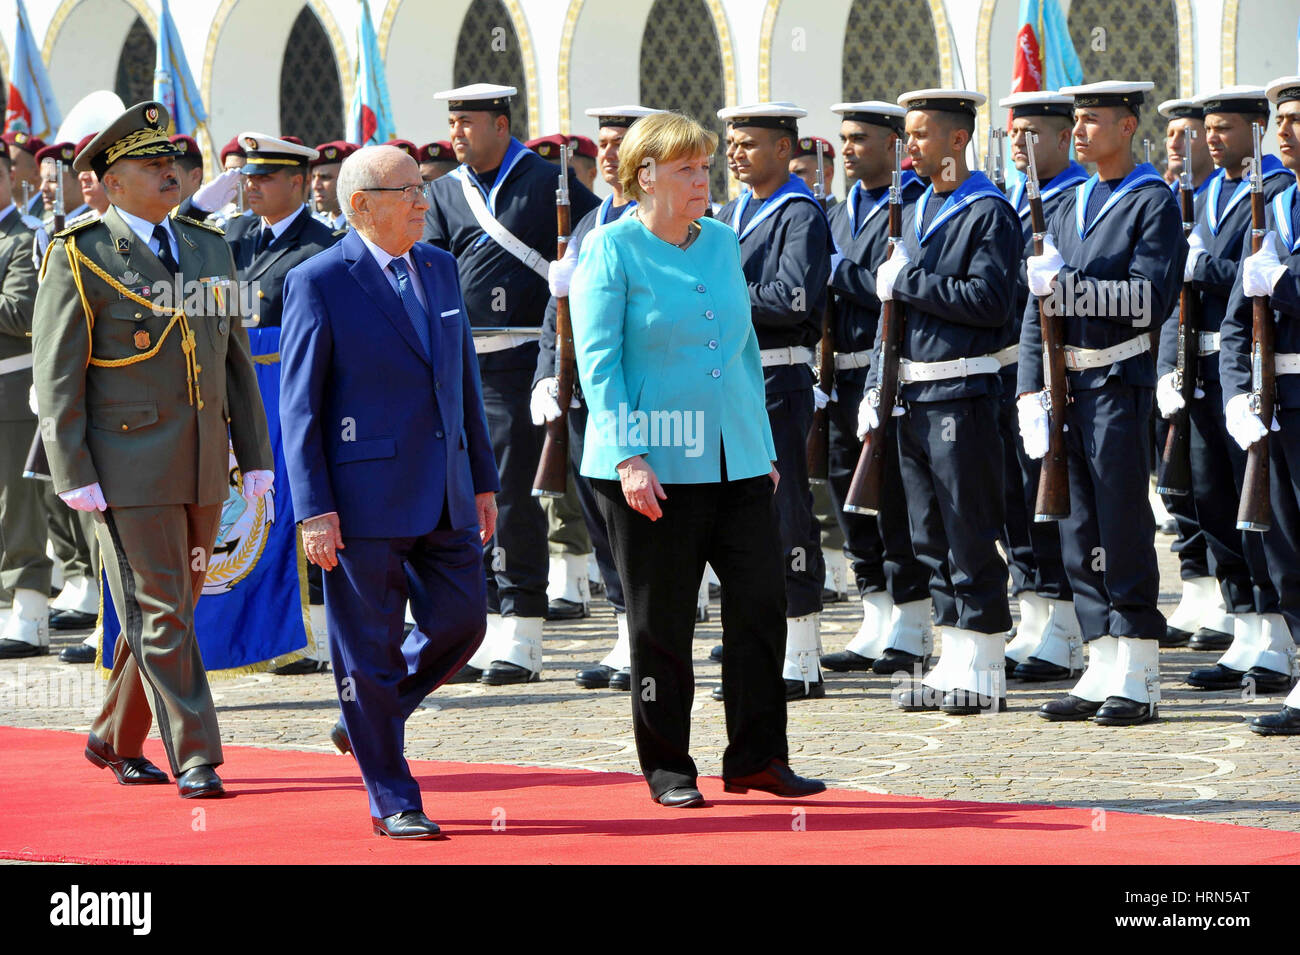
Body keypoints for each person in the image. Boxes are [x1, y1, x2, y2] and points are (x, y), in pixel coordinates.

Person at [571, 110, 824, 807]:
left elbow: (740, 352)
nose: (700, 181)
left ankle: (757, 756)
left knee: (760, 607)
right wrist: (628, 454)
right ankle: (668, 765)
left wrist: (760, 447)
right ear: (644, 175)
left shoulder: (718, 241)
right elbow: (599, 363)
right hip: (651, 469)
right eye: (686, 169)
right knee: (662, 623)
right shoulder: (610, 248)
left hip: (734, 460)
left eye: (703, 168)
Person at [32, 101, 274, 797]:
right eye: (150, 163)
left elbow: (233, 358)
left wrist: (252, 452)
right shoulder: (80, 253)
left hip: (201, 459)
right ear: (110, 181)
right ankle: (197, 753)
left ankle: (111, 735)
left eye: (170, 159)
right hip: (123, 467)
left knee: (170, 609)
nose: (170, 170)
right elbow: (58, 374)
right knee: (162, 608)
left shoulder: (207, 247)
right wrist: (71, 468)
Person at [279, 144, 499, 838]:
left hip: (445, 492)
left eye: (421, 187)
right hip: (361, 498)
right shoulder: (319, 280)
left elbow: (462, 381)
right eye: (406, 190)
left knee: (464, 622)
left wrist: (483, 479)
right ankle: (393, 797)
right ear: (361, 206)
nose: (421, 200)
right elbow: (300, 406)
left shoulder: (439, 267)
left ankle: (367, 712)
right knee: (366, 650)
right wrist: (314, 508)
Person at [1018, 80, 1186, 726]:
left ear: (1127, 126)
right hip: (1067, 387)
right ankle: (1100, 656)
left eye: (1092, 120)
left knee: (1120, 519)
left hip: (1119, 381)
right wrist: (1029, 387)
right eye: (1077, 120)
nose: (1079, 130)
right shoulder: (1069, 203)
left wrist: (1071, 289)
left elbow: (1147, 299)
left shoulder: (1153, 202)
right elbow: (1037, 311)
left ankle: (1139, 664)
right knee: (1076, 524)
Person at [423, 83, 598, 686]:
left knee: (514, 497)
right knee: (465, 497)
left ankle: (523, 626)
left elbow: (590, 246)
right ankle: (484, 623)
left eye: (468, 121)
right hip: (462, 364)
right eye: (452, 122)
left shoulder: (551, 181)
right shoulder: (443, 191)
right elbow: (431, 269)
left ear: (502, 123)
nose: (457, 133)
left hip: (529, 358)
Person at [856, 88, 1020, 716]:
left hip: (963, 391)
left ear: (957, 139)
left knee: (969, 531)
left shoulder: (988, 212)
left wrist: (912, 281)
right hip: (913, 392)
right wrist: (878, 382)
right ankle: (954, 659)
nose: (910, 145)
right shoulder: (921, 208)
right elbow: (892, 319)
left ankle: (984, 664)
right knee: (931, 537)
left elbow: (989, 303)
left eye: (921, 134)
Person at [1159, 87, 1297, 693]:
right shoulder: (1210, 192)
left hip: (1265, 374)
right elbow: (1186, 300)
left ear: (1255, 131)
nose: (1209, 138)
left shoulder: (1271, 193)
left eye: (1224, 128)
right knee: (1215, 502)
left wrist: (1207, 270)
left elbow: (1247, 281)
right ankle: (1246, 625)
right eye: (1205, 129)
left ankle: (1274, 634)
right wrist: (1173, 365)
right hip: (1211, 371)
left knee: (1265, 510)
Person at [534, 104, 662, 690]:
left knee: (647, 525)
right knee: (602, 515)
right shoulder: (588, 223)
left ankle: (653, 637)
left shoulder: (658, 221)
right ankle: (624, 632)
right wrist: (546, 374)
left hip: (642, 394)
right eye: (604, 143)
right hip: (589, 394)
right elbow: (554, 315)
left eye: (621, 143)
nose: (608, 153)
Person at [716, 102, 833, 701]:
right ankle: (760, 640)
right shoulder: (730, 212)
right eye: (732, 142)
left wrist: (717, 293)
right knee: (741, 515)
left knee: (786, 510)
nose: (736, 152)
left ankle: (804, 650)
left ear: (785, 150)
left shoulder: (800, 213)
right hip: (734, 382)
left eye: (751, 143)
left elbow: (791, 298)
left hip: (780, 379)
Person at [818, 100, 934, 678]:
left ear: (895, 144)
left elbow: (895, 290)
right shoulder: (840, 211)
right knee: (850, 495)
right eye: (844, 136)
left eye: (860, 137)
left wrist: (836, 272)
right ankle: (875, 609)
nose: (847, 147)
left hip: (887, 369)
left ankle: (912, 620)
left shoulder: (914, 205)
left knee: (892, 501)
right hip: (839, 373)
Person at [996, 92, 1089, 682]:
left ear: (1063, 138)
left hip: (1060, 370)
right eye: (1013, 132)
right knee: (1016, 500)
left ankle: (1066, 621)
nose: (1018, 143)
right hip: (1013, 367)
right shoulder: (1014, 199)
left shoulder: (1074, 198)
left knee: (1055, 498)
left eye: (1031, 132)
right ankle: (1034, 610)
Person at [1221, 75, 1300, 734]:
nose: (1287, 131)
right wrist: (1235, 395)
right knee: (1284, 545)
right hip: (1277, 401)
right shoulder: (1269, 208)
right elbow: (1231, 324)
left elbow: (1279, 289)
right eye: (1284, 119)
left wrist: (1288, 281)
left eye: (1299, 118)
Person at [1153, 97, 1231, 649]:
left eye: (1191, 132)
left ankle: (1246, 607)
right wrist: (1166, 366)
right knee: (1189, 488)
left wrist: (1206, 266)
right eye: (1173, 134)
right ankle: (1207, 590)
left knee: (1234, 494)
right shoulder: (1180, 200)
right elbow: (1166, 303)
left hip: (1232, 365)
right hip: (1186, 362)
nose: (1178, 143)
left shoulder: (1259, 194)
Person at [0, 147, 46, 659]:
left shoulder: (21, 237)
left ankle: (30, 611)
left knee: (18, 510)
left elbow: (19, 311)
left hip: (9, 388)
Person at [311, 140, 357, 232]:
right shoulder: (314, 226)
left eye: (325, 177)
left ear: (348, 181)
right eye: (313, 177)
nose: (315, 186)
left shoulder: (364, 229)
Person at [4, 132, 47, 218]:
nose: (4, 170)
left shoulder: (52, 217)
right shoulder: (6, 215)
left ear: (36, 173)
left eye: (11, 164)